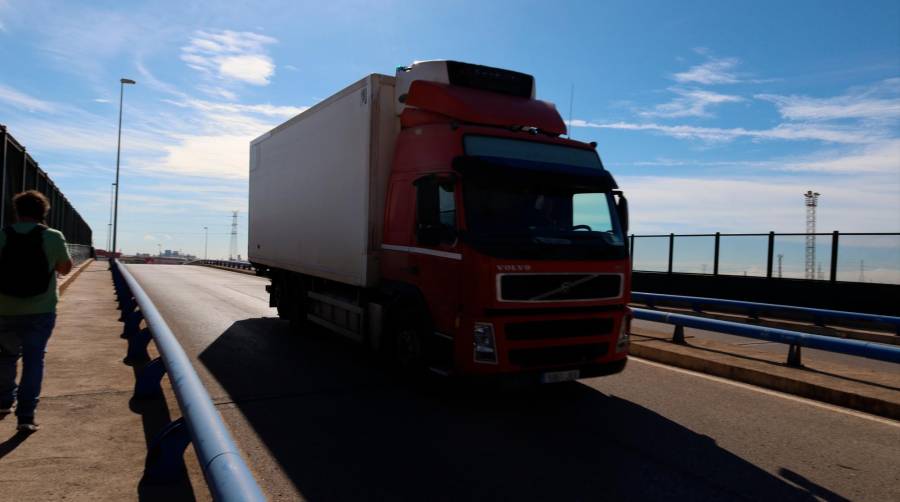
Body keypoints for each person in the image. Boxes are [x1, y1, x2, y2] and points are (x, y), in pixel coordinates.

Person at [0, 190, 72, 432]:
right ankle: (26, 416)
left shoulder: (2, 235)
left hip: (5, 308)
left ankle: (2, 402)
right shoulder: (52, 236)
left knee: (6, 357)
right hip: (41, 310)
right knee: (34, 360)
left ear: (17, 212)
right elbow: (64, 267)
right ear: (43, 212)